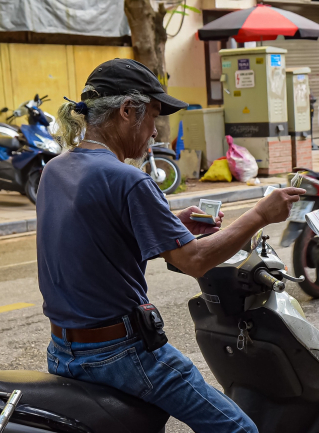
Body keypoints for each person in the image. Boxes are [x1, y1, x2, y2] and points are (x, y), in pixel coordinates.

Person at [38, 59, 305, 433]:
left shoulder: (56, 169)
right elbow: (194, 261)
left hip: (63, 350)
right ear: (127, 111)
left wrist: (170, 228)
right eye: (153, 116)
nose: (155, 132)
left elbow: (92, 237)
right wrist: (261, 214)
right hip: (120, 353)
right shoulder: (128, 179)